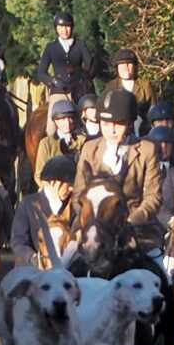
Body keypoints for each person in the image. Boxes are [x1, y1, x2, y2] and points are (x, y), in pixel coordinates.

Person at [73, 88, 163, 253]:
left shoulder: (146, 150)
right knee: (65, 261)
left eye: (118, 124)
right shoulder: (89, 149)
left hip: (136, 229)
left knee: (158, 264)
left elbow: (153, 196)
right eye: (106, 124)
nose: (111, 130)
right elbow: (78, 194)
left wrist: (131, 220)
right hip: (92, 227)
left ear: (129, 123)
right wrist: (91, 222)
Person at [11, 154, 79, 272]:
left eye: (72, 186)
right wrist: (34, 258)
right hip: (34, 266)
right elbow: (17, 241)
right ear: (52, 183)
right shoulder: (28, 204)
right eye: (68, 185)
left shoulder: (74, 208)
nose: (71, 189)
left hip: (66, 270)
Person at [38, 13, 97, 102]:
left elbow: (91, 66)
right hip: (58, 92)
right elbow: (41, 73)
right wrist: (53, 81)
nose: (64, 30)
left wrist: (83, 80)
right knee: (52, 115)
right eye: (61, 27)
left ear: (72, 28)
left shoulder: (80, 45)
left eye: (67, 26)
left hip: (80, 92)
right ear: (56, 28)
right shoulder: (50, 47)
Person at [33, 93, 85, 177]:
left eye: (70, 118)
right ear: (55, 121)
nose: (67, 123)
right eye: (63, 119)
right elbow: (39, 175)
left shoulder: (82, 140)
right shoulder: (46, 143)